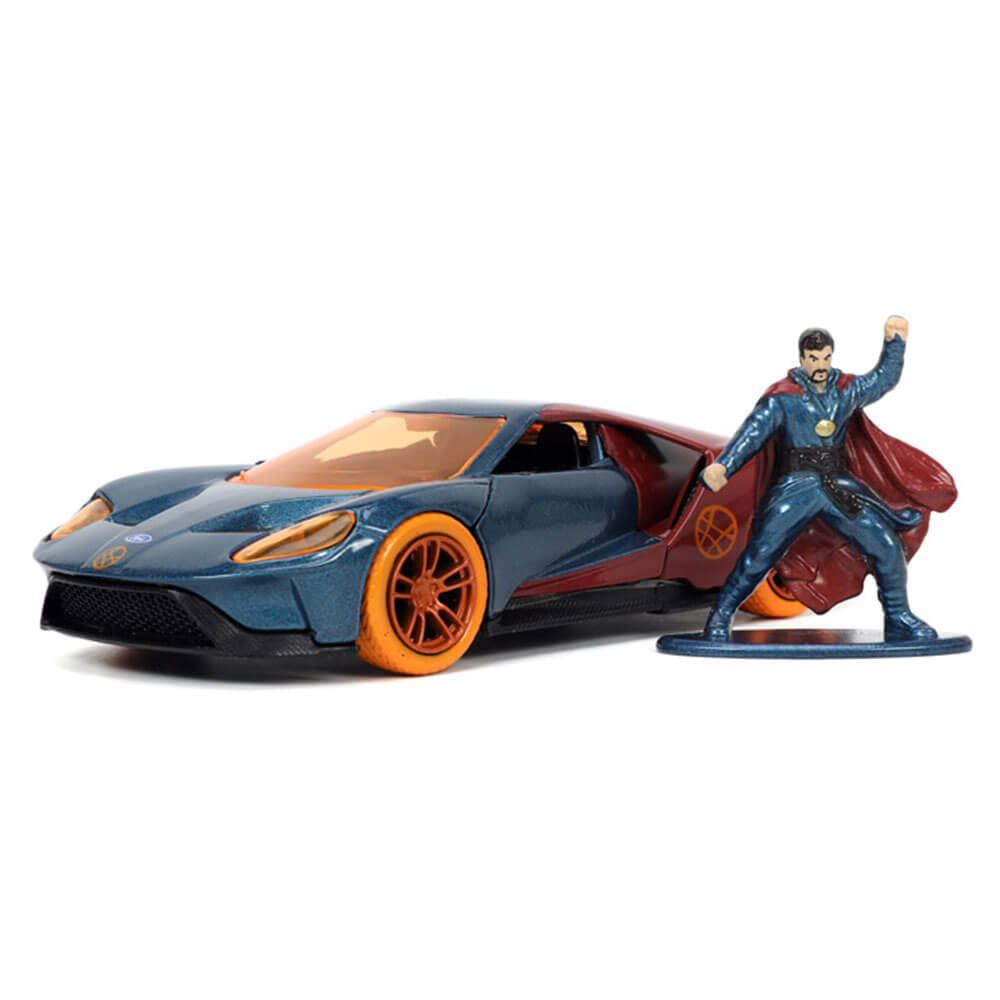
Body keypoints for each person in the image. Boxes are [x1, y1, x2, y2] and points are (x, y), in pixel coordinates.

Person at [700, 316, 937, 642]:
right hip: (795, 487)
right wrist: (724, 467)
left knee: (886, 546)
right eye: (814, 358)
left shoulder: (845, 390)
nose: (821, 365)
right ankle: (720, 616)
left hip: (836, 486)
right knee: (760, 555)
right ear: (802, 359)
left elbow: (883, 379)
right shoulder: (782, 398)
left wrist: (894, 343)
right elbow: (751, 435)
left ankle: (898, 617)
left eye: (825, 357)